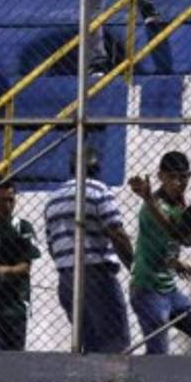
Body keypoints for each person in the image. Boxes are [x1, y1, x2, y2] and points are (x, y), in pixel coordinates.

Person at [126, 151, 191, 355]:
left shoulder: (179, 203)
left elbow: (181, 239)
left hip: (169, 290)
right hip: (148, 290)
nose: (179, 183)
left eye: (183, 177)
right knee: (159, 351)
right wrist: (176, 260)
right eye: (172, 177)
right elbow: (175, 234)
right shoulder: (154, 208)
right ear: (161, 176)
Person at [44, 149, 134, 353]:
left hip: (66, 278)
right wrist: (134, 266)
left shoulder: (53, 198)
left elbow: (51, 244)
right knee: (115, 342)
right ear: (96, 168)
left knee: (89, 342)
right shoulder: (98, 190)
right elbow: (116, 233)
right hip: (97, 274)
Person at [0, 179, 40, 351]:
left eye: (11, 200)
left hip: (15, 308)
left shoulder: (22, 227)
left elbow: (26, 266)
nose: (7, 206)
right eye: (1, 201)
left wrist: (2, 271)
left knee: (15, 362)